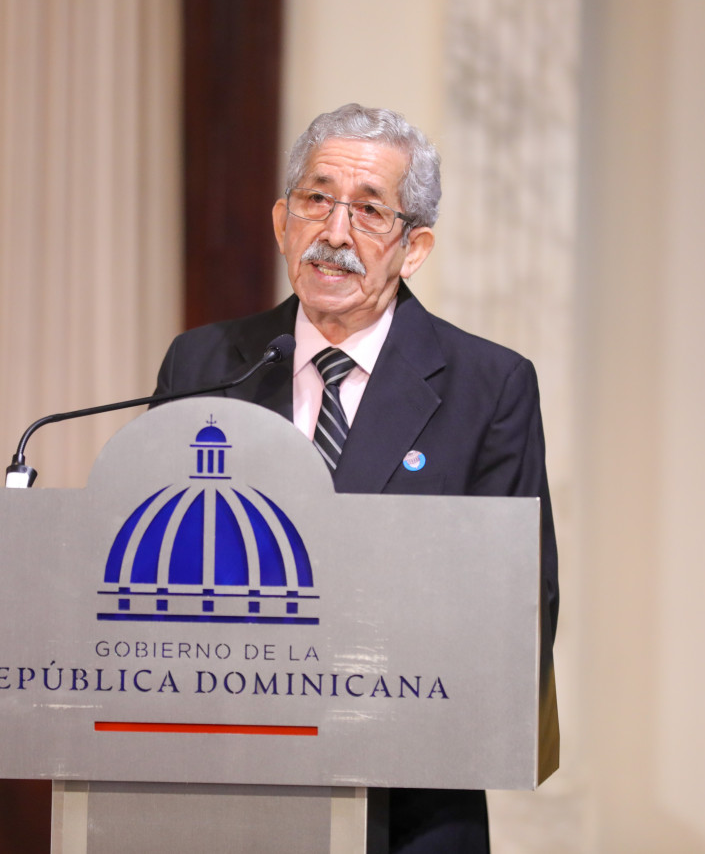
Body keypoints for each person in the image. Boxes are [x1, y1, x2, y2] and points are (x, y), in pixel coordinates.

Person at [153, 103, 559, 853]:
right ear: (282, 222)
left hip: (411, 800)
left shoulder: (488, 385)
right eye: (317, 199)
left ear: (414, 246)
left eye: (369, 210)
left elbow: (521, 600)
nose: (335, 233)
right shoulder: (205, 364)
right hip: (222, 784)